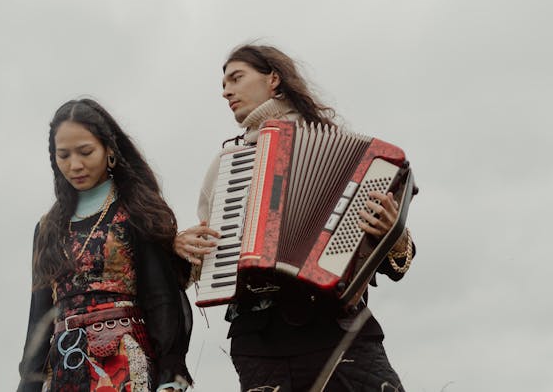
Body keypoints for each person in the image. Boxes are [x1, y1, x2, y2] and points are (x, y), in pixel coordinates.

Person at [175, 45, 415, 392]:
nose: (225, 90)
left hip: (339, 332)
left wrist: (393, 231)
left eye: (236, 78)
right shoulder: (229, 165)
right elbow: (204, 258)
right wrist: (185, 247)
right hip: (261, 343)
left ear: (273, 79)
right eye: (223, 83)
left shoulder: (347, 151)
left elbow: (399, 265)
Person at [18, 99, 193, 392]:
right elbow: (39, 318)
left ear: (109, 150)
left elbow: (161, 299)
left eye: (85, 152)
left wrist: (170, 378)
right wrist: (28, 384)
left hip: (124, 365)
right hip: (64, 370)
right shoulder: (47, 228)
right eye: (64, 155)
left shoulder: (136, 212)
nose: (75, 165)